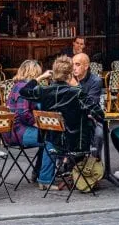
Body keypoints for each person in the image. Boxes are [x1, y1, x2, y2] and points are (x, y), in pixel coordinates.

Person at [19, 56, 102, 190]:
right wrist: (77, 86)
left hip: (52, 142)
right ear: (69, 74)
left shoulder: (43, 91)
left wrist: (38, 78)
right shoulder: (76, 92)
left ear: (54, 72)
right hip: (75, 143)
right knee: (94, 131)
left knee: (52, 135)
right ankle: (81, 173)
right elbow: (98, 113)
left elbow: (23, 91)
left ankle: (51, 175)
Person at [3, 59, 42, 149]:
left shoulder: (18, 85)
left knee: (50, 138)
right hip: (18, 133)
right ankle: (46, 163)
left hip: (11, 132)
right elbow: (23, 113)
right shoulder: (24, 87)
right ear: (34, 73)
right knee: (52, 139)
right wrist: (37, 123)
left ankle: (40, 163)